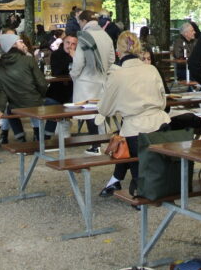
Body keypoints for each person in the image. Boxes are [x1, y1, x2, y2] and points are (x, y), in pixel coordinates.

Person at [97, 32, 170, 197]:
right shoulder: (151, 69)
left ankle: (130, 184)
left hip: (135, 131)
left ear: (118, 51)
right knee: (124, 136)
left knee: (123, 138)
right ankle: (117, 180)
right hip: (161, 126)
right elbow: (163, 102)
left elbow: (104, 110)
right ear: (138, 49)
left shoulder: (117, 74)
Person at [0, 32, 48, 143]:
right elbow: (42, 83)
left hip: (15, 104)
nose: (23, 44)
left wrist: (0, 110)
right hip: (34, 101)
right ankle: (42, 135)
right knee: (57, 104)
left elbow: (1, 91)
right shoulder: (28, 60)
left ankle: (19, 136)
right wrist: (41, 96)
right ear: (13, 45)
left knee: (10, 109)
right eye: (20, 42)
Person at [72, 10, 115, 150]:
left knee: (89, 114)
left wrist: (73, 74)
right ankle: (102, 142)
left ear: (84, 21)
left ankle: (95, 145)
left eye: (79, 21)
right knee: (99, 112)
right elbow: (111, 59)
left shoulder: (84, 36)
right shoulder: (105, 35)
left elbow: (79, 62)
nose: (79, 24)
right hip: (102, 80)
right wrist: (103, 71)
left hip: (86, 81)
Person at [46, 32, 76, 104]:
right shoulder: (56, 54)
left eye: (73, 44)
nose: (69, 46)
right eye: (68, 43)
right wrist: (72, 58)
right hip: (57, 90)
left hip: (73, 90)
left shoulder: (79, 56)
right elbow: (57, 71)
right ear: (63, 42)